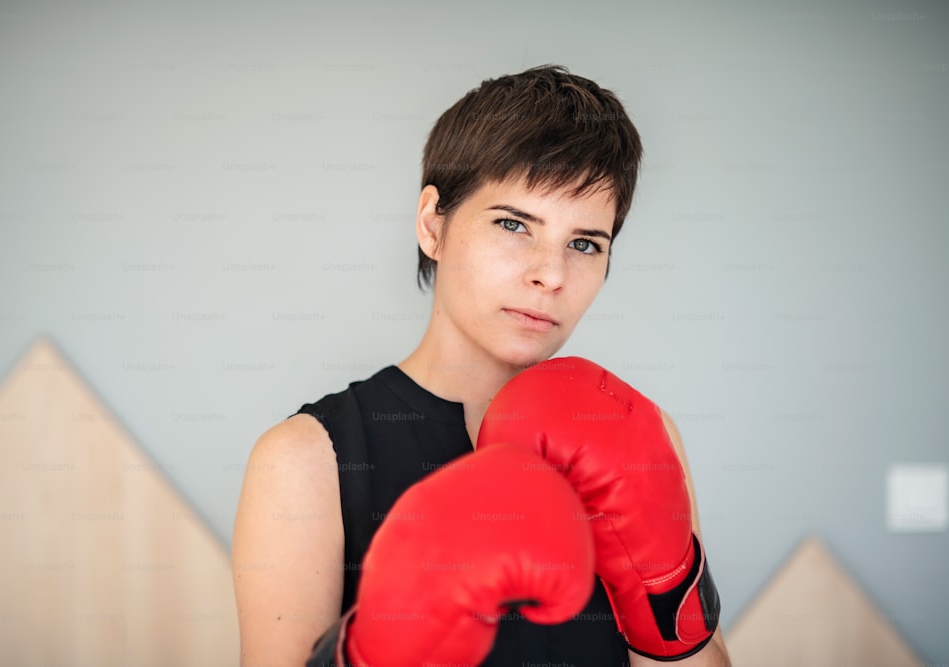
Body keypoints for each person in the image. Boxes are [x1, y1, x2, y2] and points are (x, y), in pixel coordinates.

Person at [231, 64, 732, 666]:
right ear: (432, 225)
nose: (551, 274)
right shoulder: (307, 459)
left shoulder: (646, 435)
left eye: (584, 243)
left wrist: (669, 596)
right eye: (514, 224)